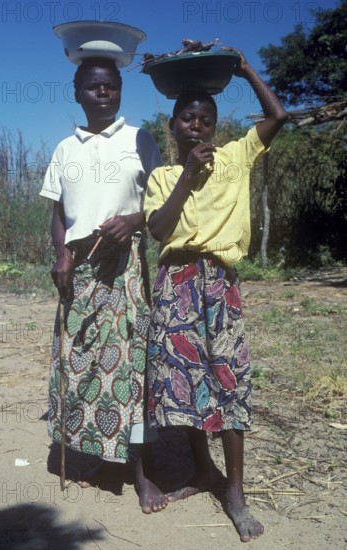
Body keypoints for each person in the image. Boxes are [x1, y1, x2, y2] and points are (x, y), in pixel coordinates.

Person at [143, 47, 288, 540]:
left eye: (205, 118)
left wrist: (244, 68)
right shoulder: (163, 176)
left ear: (215, 125)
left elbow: (279, 116)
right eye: (187, 118)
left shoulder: (236, 158)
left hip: (219, 283)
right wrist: (186, 173)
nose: (197, 126)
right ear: (174, 126)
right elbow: (161, 232)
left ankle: (235, 492)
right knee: (184, 383)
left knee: (228, 381)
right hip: (176, 285)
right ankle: (202, 469)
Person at [40, 57, 167, 513]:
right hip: (80, 267)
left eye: (111, 86)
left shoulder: (140, 140)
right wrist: (62, 255)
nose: (103, 93)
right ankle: (101, 459)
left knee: (131, 365)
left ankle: (140, 471)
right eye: (94, 87)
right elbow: (58, 212)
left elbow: (161, 204)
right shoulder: (63, 149)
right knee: (83, 362)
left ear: (119, 91)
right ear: (77, 92)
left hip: (125, 266)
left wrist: (133, 220)